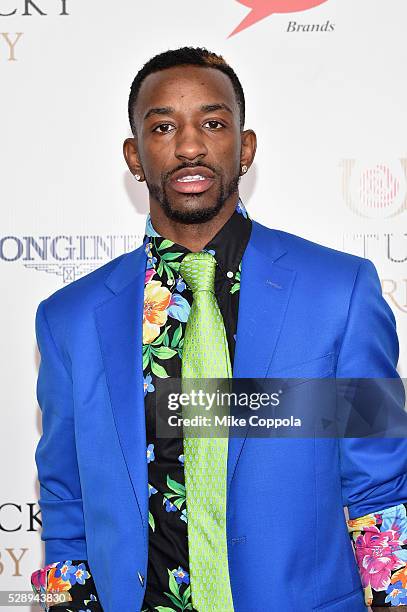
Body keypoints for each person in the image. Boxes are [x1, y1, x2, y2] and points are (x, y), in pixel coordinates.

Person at [30, 47, 407, 612]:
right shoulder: (70, 320)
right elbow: (66, 497)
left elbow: (378, 483)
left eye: (212, 123)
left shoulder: (339, 292)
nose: (189, 145)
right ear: (134, 157)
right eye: (163, 127)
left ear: (245, 147)